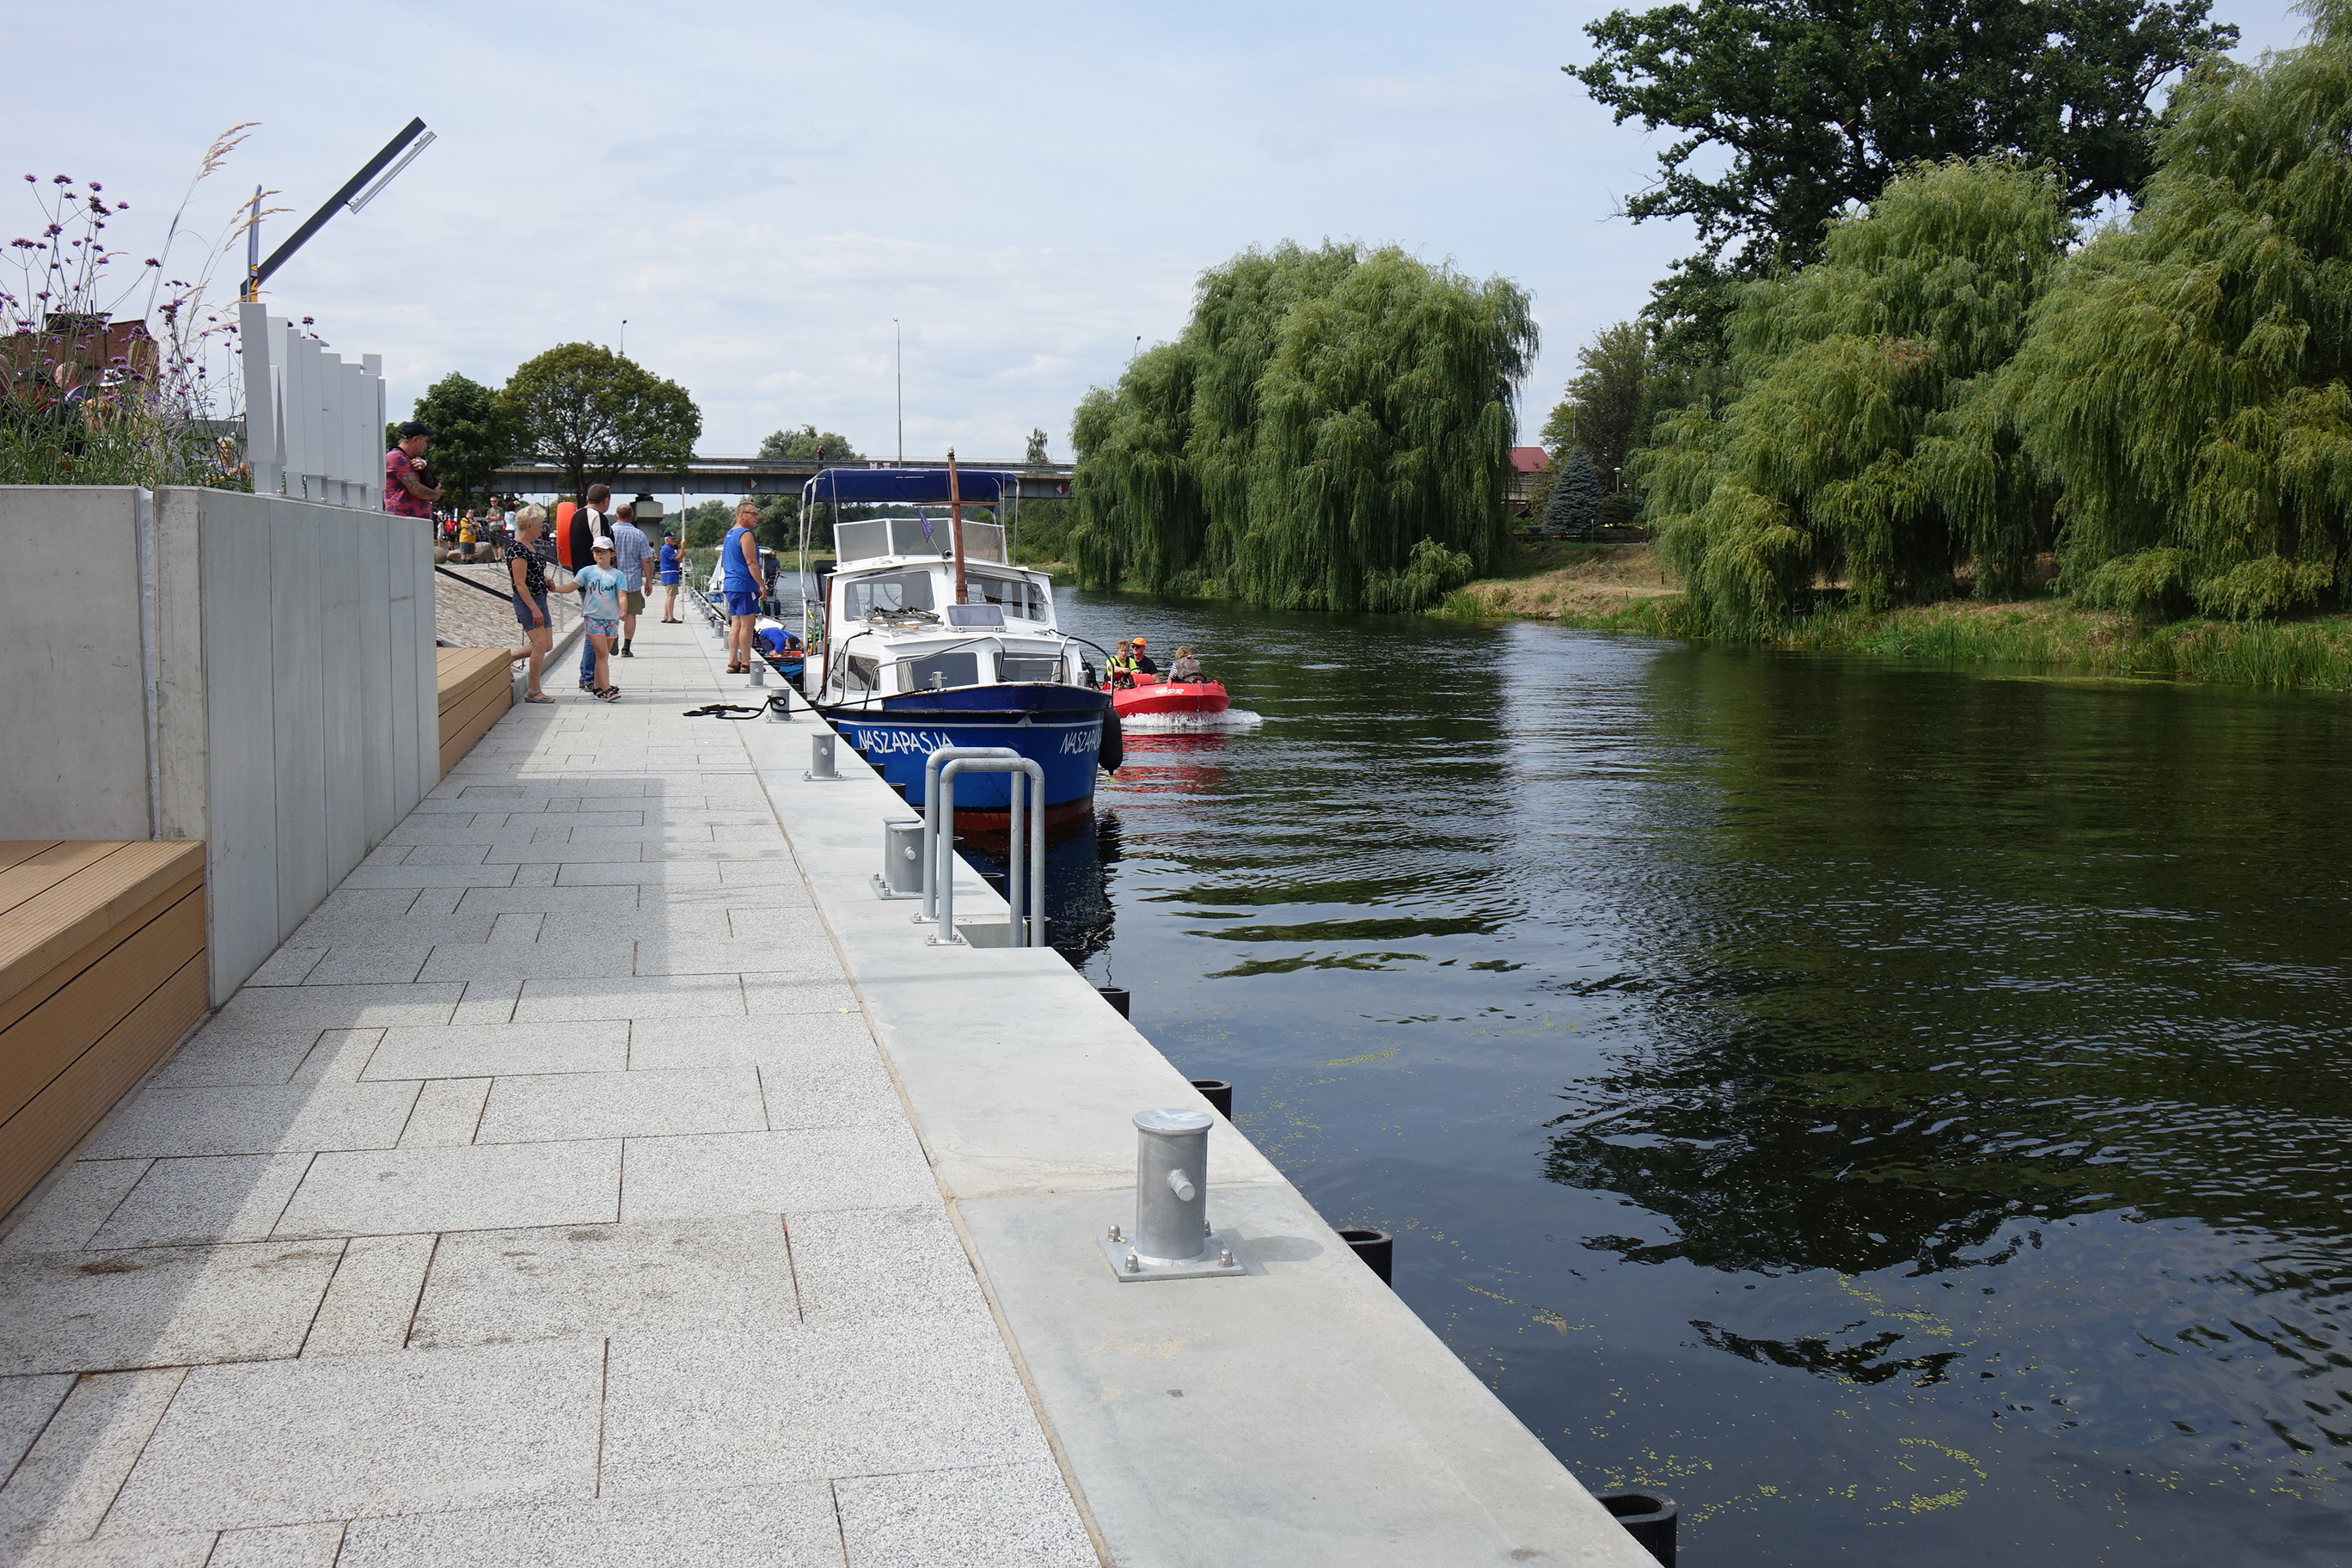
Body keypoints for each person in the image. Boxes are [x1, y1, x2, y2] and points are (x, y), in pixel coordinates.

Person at [504, 505, 557, 704]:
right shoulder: (517, 549)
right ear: (529, 525)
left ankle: (507, 658)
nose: (541, 529)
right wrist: (534, 608)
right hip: (528, 601)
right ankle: (534, 690)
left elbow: (532, 574)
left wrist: (545, 580)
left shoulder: (530, 547)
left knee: (547, 644)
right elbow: (519, 583)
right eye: (539, 526)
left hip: (540, 597)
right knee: (540, 644)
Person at [567, 537, 626, 701]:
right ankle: (606, 689)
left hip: (611, 619)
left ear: (611, 553)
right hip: (593, 618)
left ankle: (598, 687)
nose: (599, 554)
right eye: (596, 551)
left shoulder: (618, 575)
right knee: (600, 652)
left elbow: (622, 595)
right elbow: (572, 586)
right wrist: (553, 588)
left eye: (603, 551)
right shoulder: (587, 572)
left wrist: (623, 610)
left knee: (604, 654)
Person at [720, 499, 763, 674]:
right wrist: (761, 584)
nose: (757, 518)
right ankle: (746, 662)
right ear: (741, 514)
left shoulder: (729, 534)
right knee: (747, 624)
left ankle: (733, 661)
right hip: (744, 585)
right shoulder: (745, 534)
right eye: (753, 514)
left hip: (730, 584)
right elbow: (751, 562)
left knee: (736, 623)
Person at [609, 502, 652, 658]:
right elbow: (646, 560)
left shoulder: (609, 532)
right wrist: (648, 581)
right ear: (632, 517)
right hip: (632, 582)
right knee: (631, 614)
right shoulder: (639, 534)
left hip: (611, 580)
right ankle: (626, 648)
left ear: (616, 516)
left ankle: (613, 637)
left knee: (612, 613)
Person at [384, 422, 439, 518]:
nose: (425, 446)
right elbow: (416, 489)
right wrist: (435, 494)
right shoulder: (396, 457)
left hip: (415, 520)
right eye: (425, 441)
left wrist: (425, 469)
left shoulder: (412, 459)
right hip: (403, 519)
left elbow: (434, 484)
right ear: (416, 440)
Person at [658, 532, 683, 622]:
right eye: (672, 539)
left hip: (669, 573)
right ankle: (670, 617)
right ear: (667, 540)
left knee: (669, 596)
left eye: (674, 539)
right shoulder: (667, 549)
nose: (674, 541)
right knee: (671, 596)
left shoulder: (668, 549)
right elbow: (678, 558)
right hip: (670, 573)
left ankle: (666, 616)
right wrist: (683, 548)